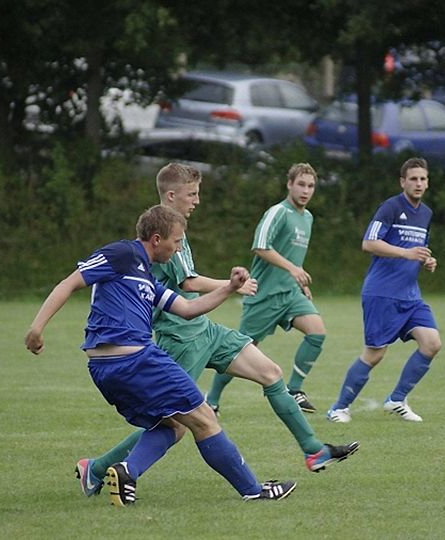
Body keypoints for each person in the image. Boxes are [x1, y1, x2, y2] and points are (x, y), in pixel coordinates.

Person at [73, 163, 358, 499]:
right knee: (176, 424)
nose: (197, 200)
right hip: (180, 338)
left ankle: (313, 449)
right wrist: (232, 284)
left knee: (270, 372)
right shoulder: (160, 236)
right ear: (171, 195)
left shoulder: (177, 230)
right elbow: (187, 282)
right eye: (192, 194)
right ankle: (99, 467)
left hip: (204, 329)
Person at [25, 205, 296, 506]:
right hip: (135, 359)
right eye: (177, 242)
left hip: (106, 369)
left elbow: (188, 309)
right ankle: (253, 490)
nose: (179, 248)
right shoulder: (122, 254)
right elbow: (70, 282)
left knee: (172, 425)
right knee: (205, 418)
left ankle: (126, 471)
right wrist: (37, 328)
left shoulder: (147, 277)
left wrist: (230, 287)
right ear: (156, 239)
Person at [327, 157, 441, 423]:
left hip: (410, 295)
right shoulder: (390, 207)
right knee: (375, 354)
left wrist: (427, 260)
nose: (418, 183)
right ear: (403, 182)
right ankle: (338, 408)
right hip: (382, 292)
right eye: (413, 178)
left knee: (432, 343)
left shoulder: (426, 214)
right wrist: (405, 253)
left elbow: (416, 250)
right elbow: (369, 243)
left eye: (423, 179)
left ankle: (397, 399)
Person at [206, 163, 327, 413]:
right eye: (301, 184)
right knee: (241, 350)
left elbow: (294, 256)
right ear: (289, 184)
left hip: (290, 293)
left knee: (317, 332)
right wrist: (293, 269)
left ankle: (295, 390)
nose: (306, 191)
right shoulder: (278, 212)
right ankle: (212, 400)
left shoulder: (308, 218)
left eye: (311, 186)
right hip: (264, 294)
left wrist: (298, 280)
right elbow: (260, 246)